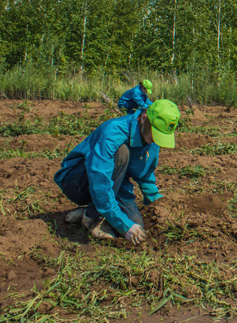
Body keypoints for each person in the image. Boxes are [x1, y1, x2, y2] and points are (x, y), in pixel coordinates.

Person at [54, 99, 180, 245]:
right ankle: (93, 217)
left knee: (136, 224)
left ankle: (91, 210)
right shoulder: (114, 131)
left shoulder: (150, 137)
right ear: (144, 118)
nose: (155, 140)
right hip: (78, 180)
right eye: (155, 134)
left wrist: (155, 200)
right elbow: (100, 181)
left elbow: (144, 172)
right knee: (122, 152)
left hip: (114, 180)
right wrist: (122, 224)